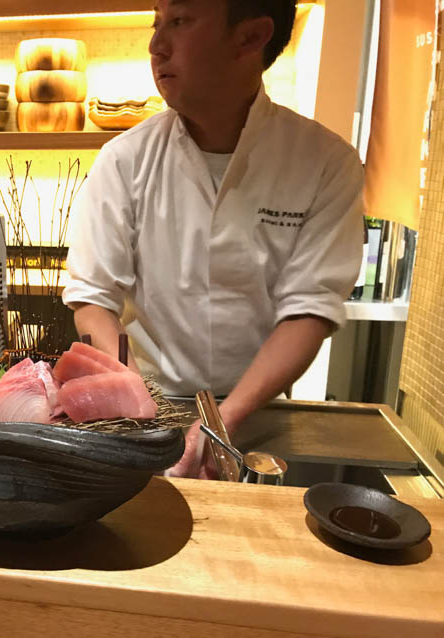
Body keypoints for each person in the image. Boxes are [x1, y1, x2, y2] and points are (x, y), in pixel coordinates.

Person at [62, 0, 364, 478]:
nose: (156, 46)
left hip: (261, 412)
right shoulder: (124, 160)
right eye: (156, 23)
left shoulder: (325, 162)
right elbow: (92, 298)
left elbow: (310, 309)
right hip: (151, 405)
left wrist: (223, 421)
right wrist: (138, 408)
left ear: (251, 36)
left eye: (179, 22)